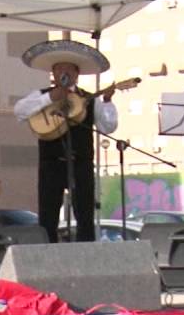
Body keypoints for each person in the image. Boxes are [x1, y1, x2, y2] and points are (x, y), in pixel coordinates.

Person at [14, 40, 120, 243]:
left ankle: (86, 257)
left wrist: (107, 102)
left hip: (81, 162)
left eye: (68, 69)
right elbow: (19, 111)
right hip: (51, 162)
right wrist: (51, 98)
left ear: (76, 74)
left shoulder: (89, 99)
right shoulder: (41, 95)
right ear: (53, 73)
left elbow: (108, 127)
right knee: (48, 216)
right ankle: (47, 258)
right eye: (58, 69)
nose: (63, 72)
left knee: (85, 215)